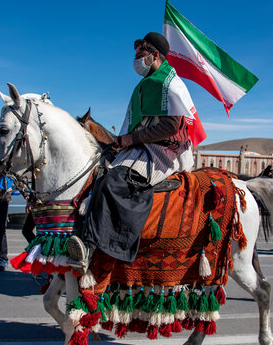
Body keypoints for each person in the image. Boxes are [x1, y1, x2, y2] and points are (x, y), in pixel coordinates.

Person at [66, 32, 196, 270]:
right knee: (97, 170)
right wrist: (119, 142)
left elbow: (171, 126)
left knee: (113, 182)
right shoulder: (143, 86)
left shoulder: (170, 83)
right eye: (136, 54)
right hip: (140, 146)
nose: (136, 59)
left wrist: (129, 139)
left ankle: (92, 248)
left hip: (163, 151)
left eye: (141, 54)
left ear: (155, 55)